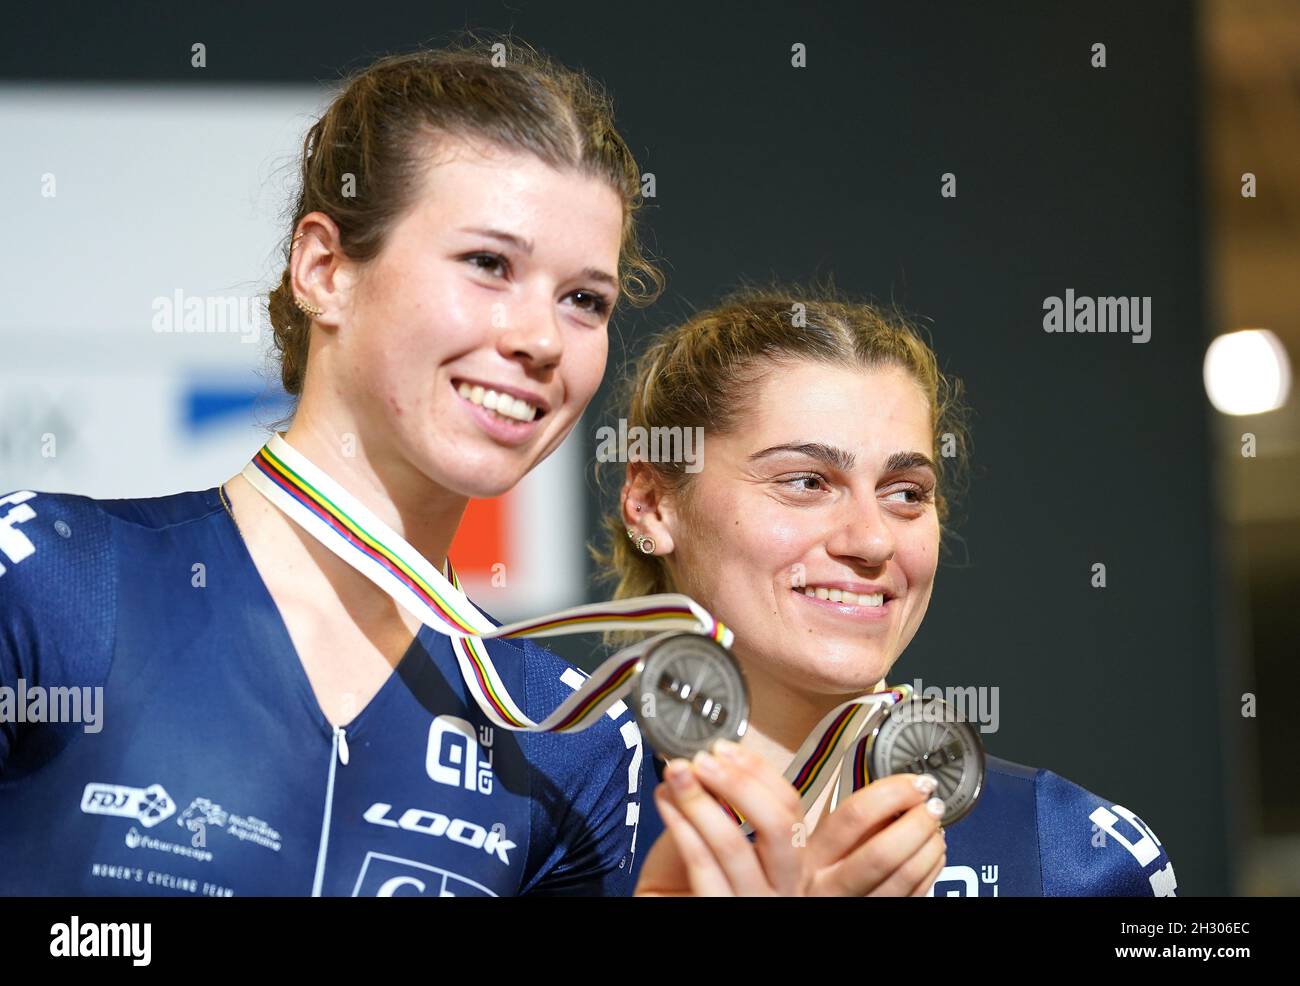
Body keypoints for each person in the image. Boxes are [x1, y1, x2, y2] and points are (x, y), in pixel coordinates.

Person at [0, 40, 662, 897]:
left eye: (585, 301)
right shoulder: (50, 576)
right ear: (325, 269)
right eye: (489, 265)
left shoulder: (571, 739)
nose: (540, 340)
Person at [594, 286, 1179, 896]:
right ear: (653, 503)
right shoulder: (544, 822)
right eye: (806, 481)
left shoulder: (1067, 855)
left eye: (905, 492)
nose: (872, 541)